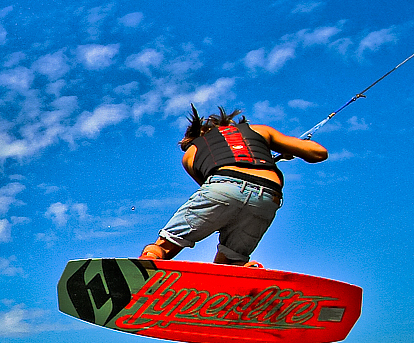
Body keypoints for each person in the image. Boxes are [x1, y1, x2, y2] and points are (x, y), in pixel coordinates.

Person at [139, 106, 327, 267]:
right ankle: (244, 273)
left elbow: (216, 193)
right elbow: (318, 153)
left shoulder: (190, 154)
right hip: (268, 196)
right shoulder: (260, 131)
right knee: (231, 262)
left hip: (223, 187)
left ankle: (148, 262)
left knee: (166, 244)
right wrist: (285, 149)